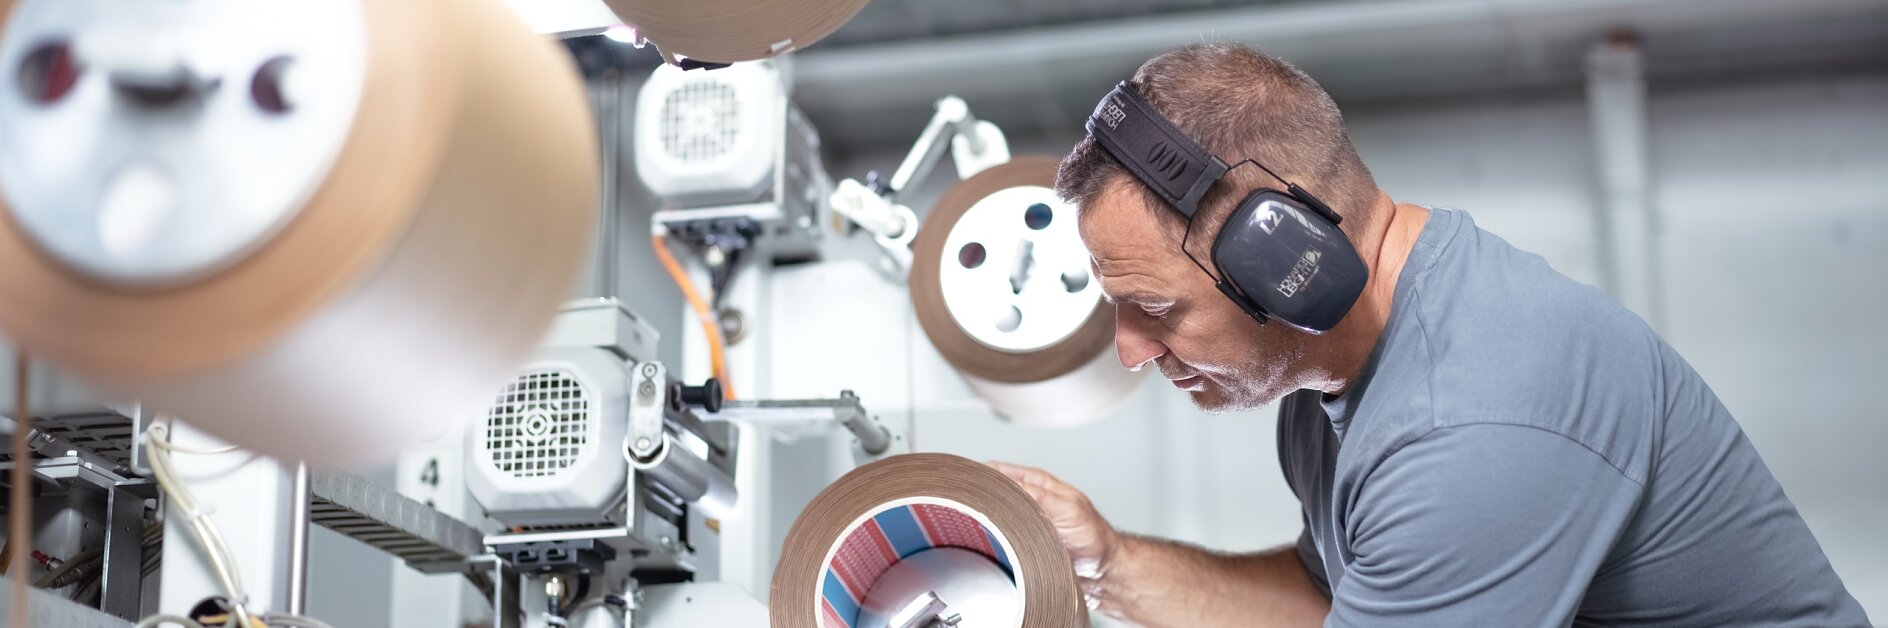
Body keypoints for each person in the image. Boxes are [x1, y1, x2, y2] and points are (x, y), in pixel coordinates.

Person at [989, 42, 1868, 627]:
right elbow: (1334, 600)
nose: (1130, 350)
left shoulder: (1471, 421)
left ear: (1282, 257)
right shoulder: (1331, 372)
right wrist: (1106, 561)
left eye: (1157, 308)